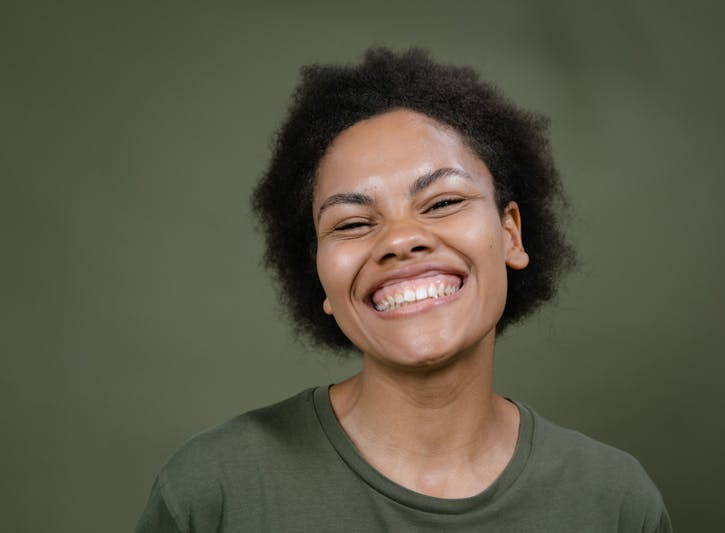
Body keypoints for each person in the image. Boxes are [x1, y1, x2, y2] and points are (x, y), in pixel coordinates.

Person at [135, 48, 672, 532]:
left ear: (510, 234)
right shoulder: (214, 491)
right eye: (350, 223)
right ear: (319, 277)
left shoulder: (614, 501)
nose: (401, 240)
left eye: (441, 202)